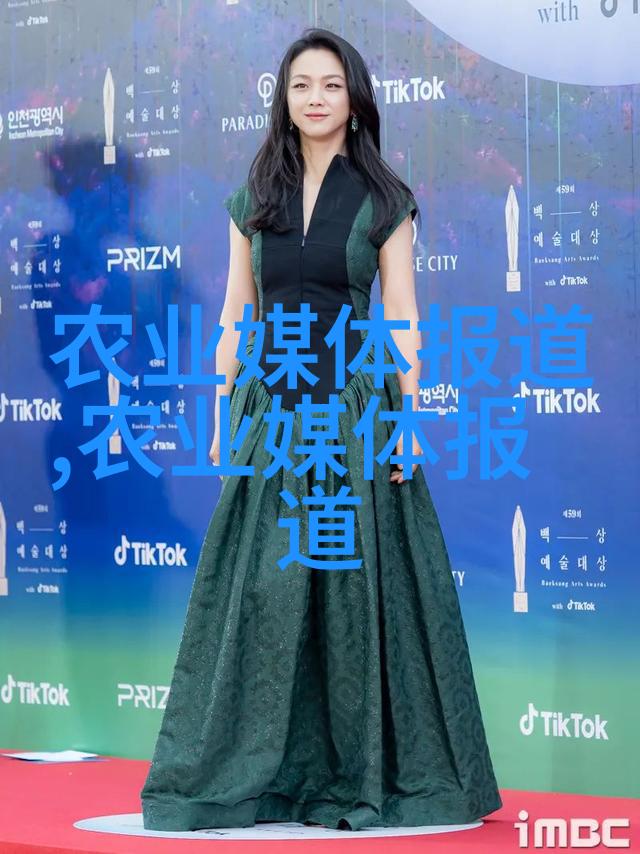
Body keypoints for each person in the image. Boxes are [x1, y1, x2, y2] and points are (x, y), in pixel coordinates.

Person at [140, 27, 503, 833]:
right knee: (264, 596)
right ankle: (260, 780)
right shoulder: (254, 199)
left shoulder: (385, 199)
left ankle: (363, 777)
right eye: (301, 84)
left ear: (355, 98)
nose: (315, 98)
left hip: (356, 413)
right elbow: (238, 312)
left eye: (331, 85)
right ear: (283, 98)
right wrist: (221, 410)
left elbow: (402, 315)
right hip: (271, 415)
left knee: (356, 597)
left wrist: (408, 419)